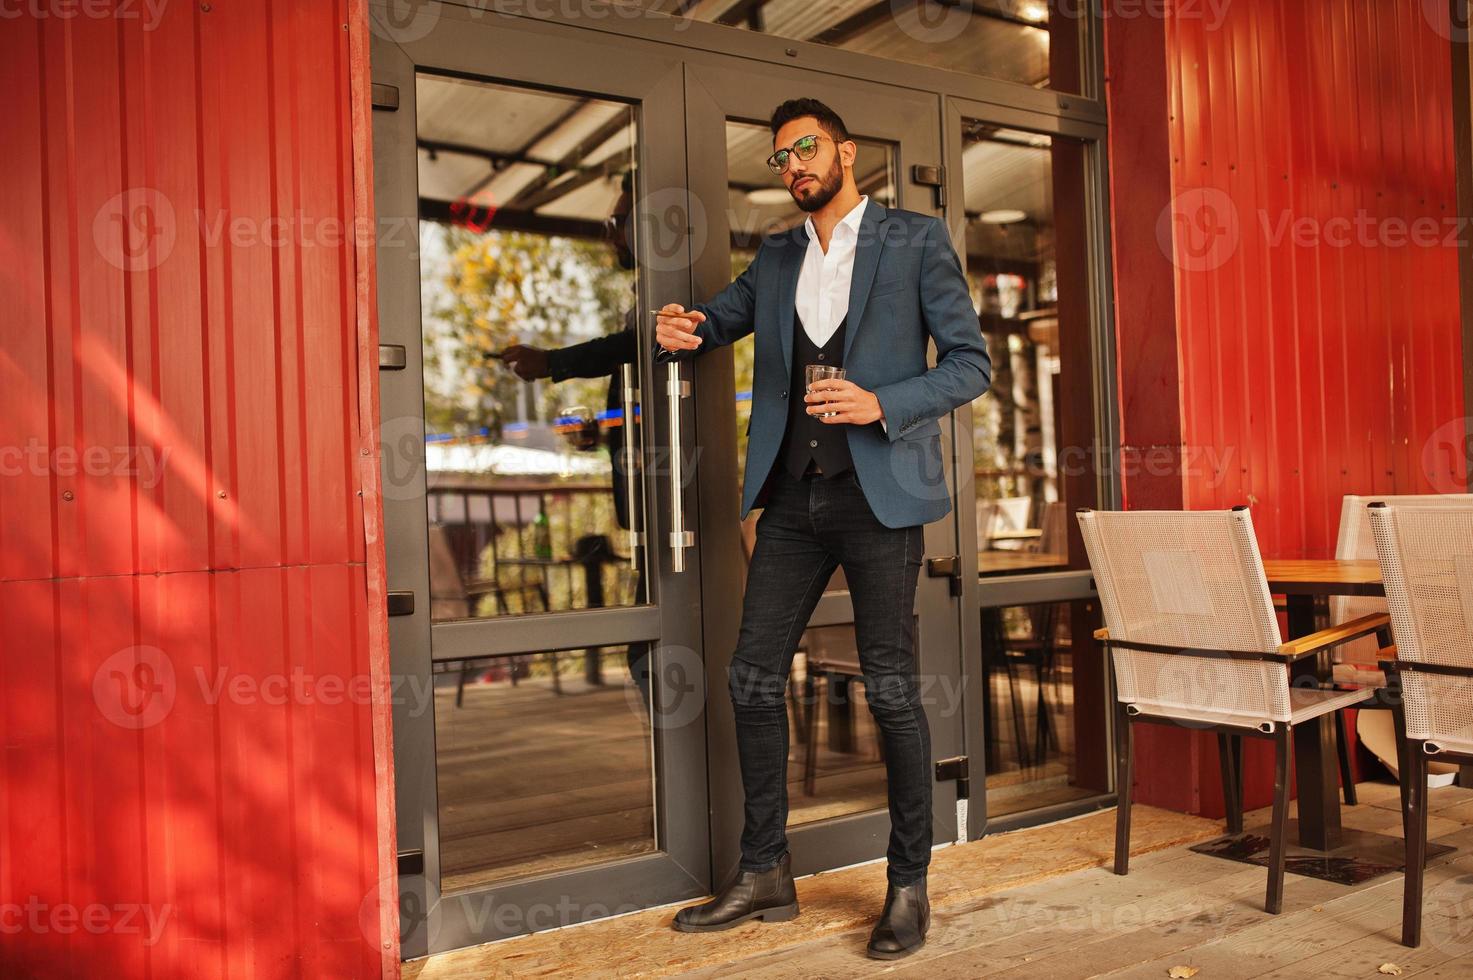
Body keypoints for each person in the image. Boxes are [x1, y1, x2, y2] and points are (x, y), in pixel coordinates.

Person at [655, 98, 991, 959]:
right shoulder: (772, 256)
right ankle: (765, 869)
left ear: (844, 151)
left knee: (888, 689)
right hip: (793, 499)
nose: (793, 164)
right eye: (780, 158)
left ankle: (908, 884)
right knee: (751, 677)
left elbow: (968, 365)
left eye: (805, 148)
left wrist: (883, 402)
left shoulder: (915, 240)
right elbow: (710, 323)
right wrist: (673, 327)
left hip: (878, 495)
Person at [499, 171, 650, 708]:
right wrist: (603, 429)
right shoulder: (648, 285)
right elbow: (645, 382)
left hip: (672, 493)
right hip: (646, 490)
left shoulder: (672, 284)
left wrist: (552, 362)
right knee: (652, 646)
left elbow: (637, 346)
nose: (610, 236)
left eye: (617, 222)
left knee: (650, 654)